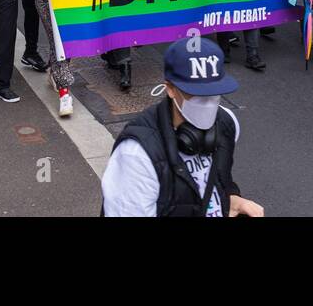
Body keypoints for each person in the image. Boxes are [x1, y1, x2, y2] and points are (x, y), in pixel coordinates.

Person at [101, 37, 263, 217]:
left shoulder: (226, 123)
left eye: (213, 93)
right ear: (170, 89)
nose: (208, 103)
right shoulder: (136, 155)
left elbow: (220, 180)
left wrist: (232, 200)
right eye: (196, 94)